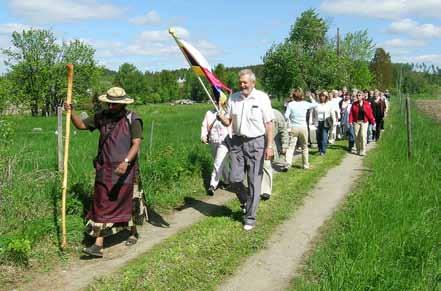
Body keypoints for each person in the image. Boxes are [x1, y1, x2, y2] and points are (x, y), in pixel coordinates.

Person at [65, 87, 143, 258]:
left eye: (114, 104)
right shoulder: (101, 117)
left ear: (122, 104)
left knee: (128, 203)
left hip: (126, 169)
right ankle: (98, 245)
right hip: (105, 169)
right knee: (101, 204)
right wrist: (71, 112)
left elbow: (136, 144)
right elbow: (81, 125)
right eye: (109, 103)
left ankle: (133, 232)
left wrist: (126, 162)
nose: (110, 106)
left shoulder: (133, 119)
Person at [217, 69, 274, 231]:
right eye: (240, 82)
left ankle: (249, 218)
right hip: (237, 142)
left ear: (253, 83)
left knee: (254, 181)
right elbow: (228, 122)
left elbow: (269, 124)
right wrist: (222, 118)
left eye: (245, 82)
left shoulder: (262, 98)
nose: (242, 85)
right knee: (234, 179)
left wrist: (269, 146)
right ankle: (246, 201)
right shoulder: (234, 98)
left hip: (256, 142)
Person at [200, 95, 231, 195]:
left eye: (217, 100)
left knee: (217, 163)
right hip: (213, 141)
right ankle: (227, 181)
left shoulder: (227, 113)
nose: (215, 102)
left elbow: (230, 126)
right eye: (214, 100)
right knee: (222, 163)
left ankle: (212, 185)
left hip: (224, 142)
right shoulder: (209, 113)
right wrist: (203, 136)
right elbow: (204, 125)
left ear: (222, 102)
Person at [284, 88, 317, 169]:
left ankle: (288, 163)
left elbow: (286, 116)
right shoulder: (305, 103)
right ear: (302, 96)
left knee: (291, 147)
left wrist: (289, 122)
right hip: (303, 127)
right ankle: (306, 164)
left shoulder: (291, 104)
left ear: (294, 96)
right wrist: (310, 97)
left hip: (294, 127)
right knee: (304, 147)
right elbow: (315, 104)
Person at [261, 108, 289, 200]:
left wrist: (284, 145)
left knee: (266, 165)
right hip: (254, 144)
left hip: (269, 144)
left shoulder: (276, 114)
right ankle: (256, 188)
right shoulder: (253, 113)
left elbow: (283, 130)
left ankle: (266, 191)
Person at [349, 91, 375, 156]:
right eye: (357, 95)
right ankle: (358, 150)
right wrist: (350, 121)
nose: (358, 96)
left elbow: (370, 113)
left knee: (363, 135)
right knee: (356, 136)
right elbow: (351, 113)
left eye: (360, 95)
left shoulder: (366, 104)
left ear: (363, 96)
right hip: (356, 122)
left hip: (364, 122)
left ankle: (363, 150)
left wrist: (372, 121)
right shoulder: (354, 104)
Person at [311, 92, 335, 156]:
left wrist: (334, 121)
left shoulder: (329, 104)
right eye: (321, 96)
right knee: (318, 137)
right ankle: (320, 148)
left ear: (326, 97)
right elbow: (313, 113)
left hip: (326, 122)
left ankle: (323, 151)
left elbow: (332, 113)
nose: (322, 97)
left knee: (324, 136)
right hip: (318, 122)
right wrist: (312, 121)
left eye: (323, 96)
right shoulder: (316, 104)